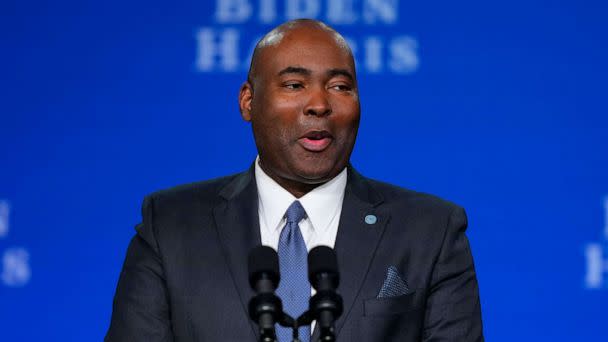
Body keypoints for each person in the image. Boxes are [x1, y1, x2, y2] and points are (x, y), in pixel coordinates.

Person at [106, 19, 483, 341]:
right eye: (294, 85)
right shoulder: (170, 225)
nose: (319, 104)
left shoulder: (430, 231)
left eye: (340, 86)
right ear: (248, 102)